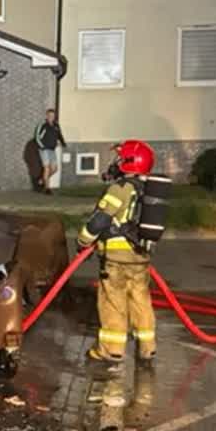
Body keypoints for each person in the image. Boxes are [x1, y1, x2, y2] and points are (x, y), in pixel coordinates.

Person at [77, 140, 157, 364]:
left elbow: (99, 220)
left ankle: (111, 351)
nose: (116, 162)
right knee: (141, 300)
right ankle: (147, 348)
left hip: (116, 259)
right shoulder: (147, 189)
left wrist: (83, 241)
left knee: (113, 302)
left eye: (121, 158)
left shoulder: (120, 189)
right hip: (140, 256)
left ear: (129, 162)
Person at [34, 109, 68, 194]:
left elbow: (59, 135)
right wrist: (42, 146)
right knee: (47, 168)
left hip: (52, 149)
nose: (51, 117)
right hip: (44, 149)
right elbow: (37, 137)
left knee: (54, 169)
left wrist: (63, 143)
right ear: (46, 116)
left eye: (52, 116)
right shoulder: (42, 125)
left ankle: (42, 180)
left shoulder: (56, 125)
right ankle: (47, 189)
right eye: (49, 116)